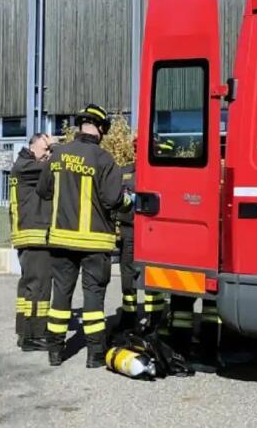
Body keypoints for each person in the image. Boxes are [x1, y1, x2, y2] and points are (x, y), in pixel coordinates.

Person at [38, 104, 129, 368]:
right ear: (101, 129)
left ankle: (55, 350)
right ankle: (95, 354)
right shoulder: (103, 159)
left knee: (61, 295)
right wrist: (129, 203)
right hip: (94, 242)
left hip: (61, 239)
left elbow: (43, 191)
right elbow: (113, 199)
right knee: (93, 297)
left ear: (80, 126)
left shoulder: (58, 155)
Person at [10, 133, 54, 352]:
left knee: (28, 287)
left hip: (28, 236)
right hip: (35, 236)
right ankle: (36, 335)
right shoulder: (28, 166)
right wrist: (57, 148)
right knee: (39, 287)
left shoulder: (23, 164)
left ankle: (24, 331)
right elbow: (54, 168)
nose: (47, 155)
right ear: (32, 146)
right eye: (45, 149)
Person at [114, 137, 164, 331]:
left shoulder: (162, 173)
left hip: (155, 231)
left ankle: (155, 318)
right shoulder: (124, 172)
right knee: (128, 274)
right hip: (130, 230)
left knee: (154, 273)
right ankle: (129, 315)